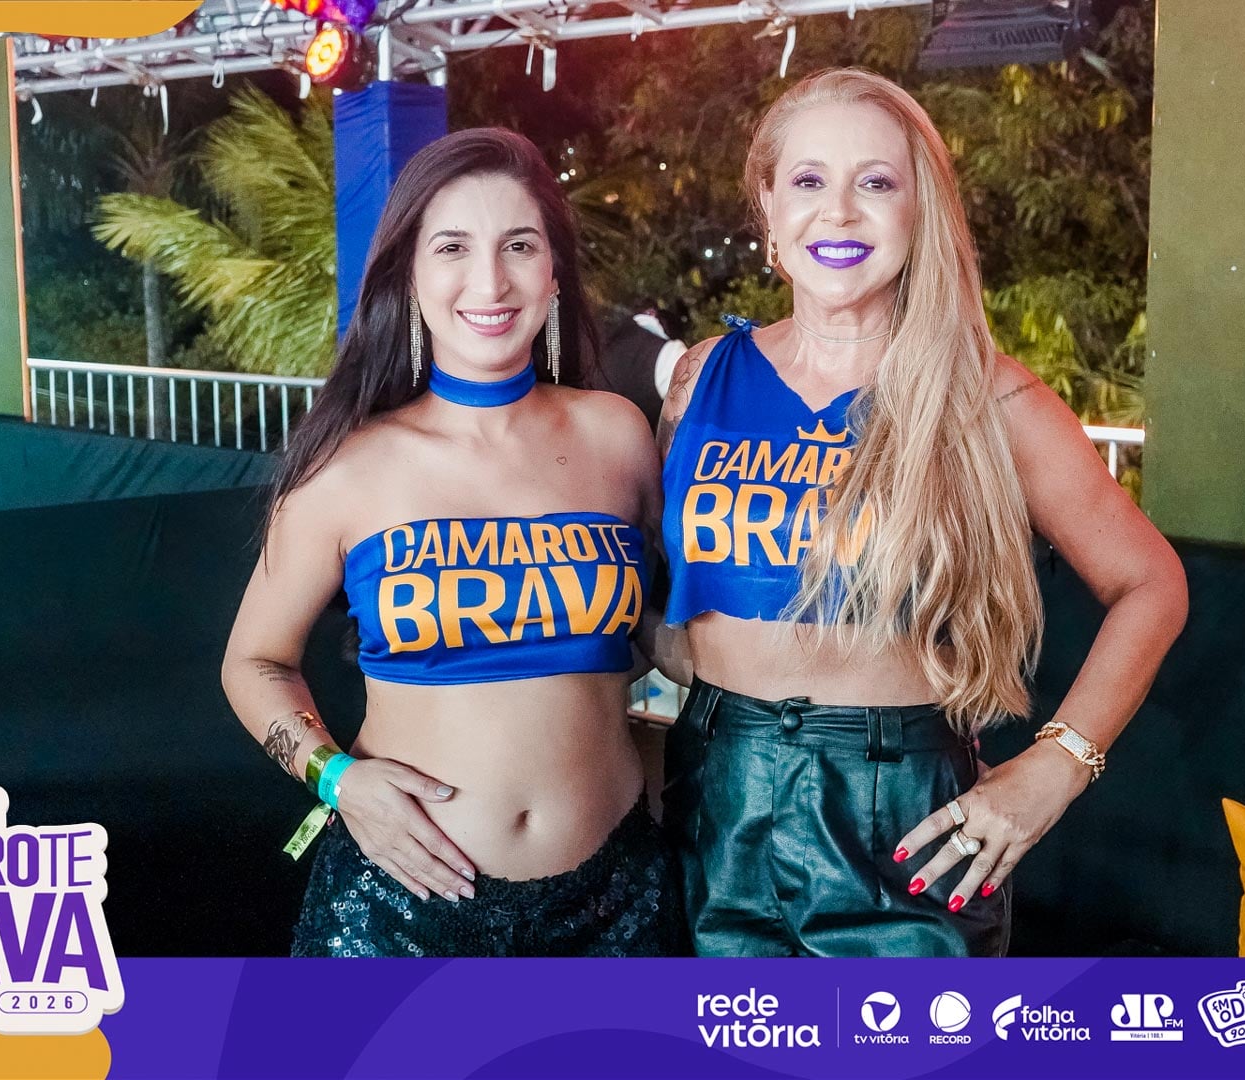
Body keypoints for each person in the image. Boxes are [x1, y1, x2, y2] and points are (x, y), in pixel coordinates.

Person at [655, 69, 1188, 957]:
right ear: (769, 206)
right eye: (809, 180)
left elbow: (1151, 585)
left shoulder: (987, 396)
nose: (838, 211)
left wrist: (1058, 765)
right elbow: (650, 588)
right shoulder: (700, 376)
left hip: (899, 810)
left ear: (920, 210)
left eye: (876, 182)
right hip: (717, 786)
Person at [222, 127, 684, 957]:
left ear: (553, 272)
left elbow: (665, 624)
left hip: (618, 900)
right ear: (410, 272)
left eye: (519, 245)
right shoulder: (346, 467)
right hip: (399, 912)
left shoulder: (617, 436)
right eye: (453, 247)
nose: (490, 280)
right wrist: (337, 780)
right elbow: (253, 662)